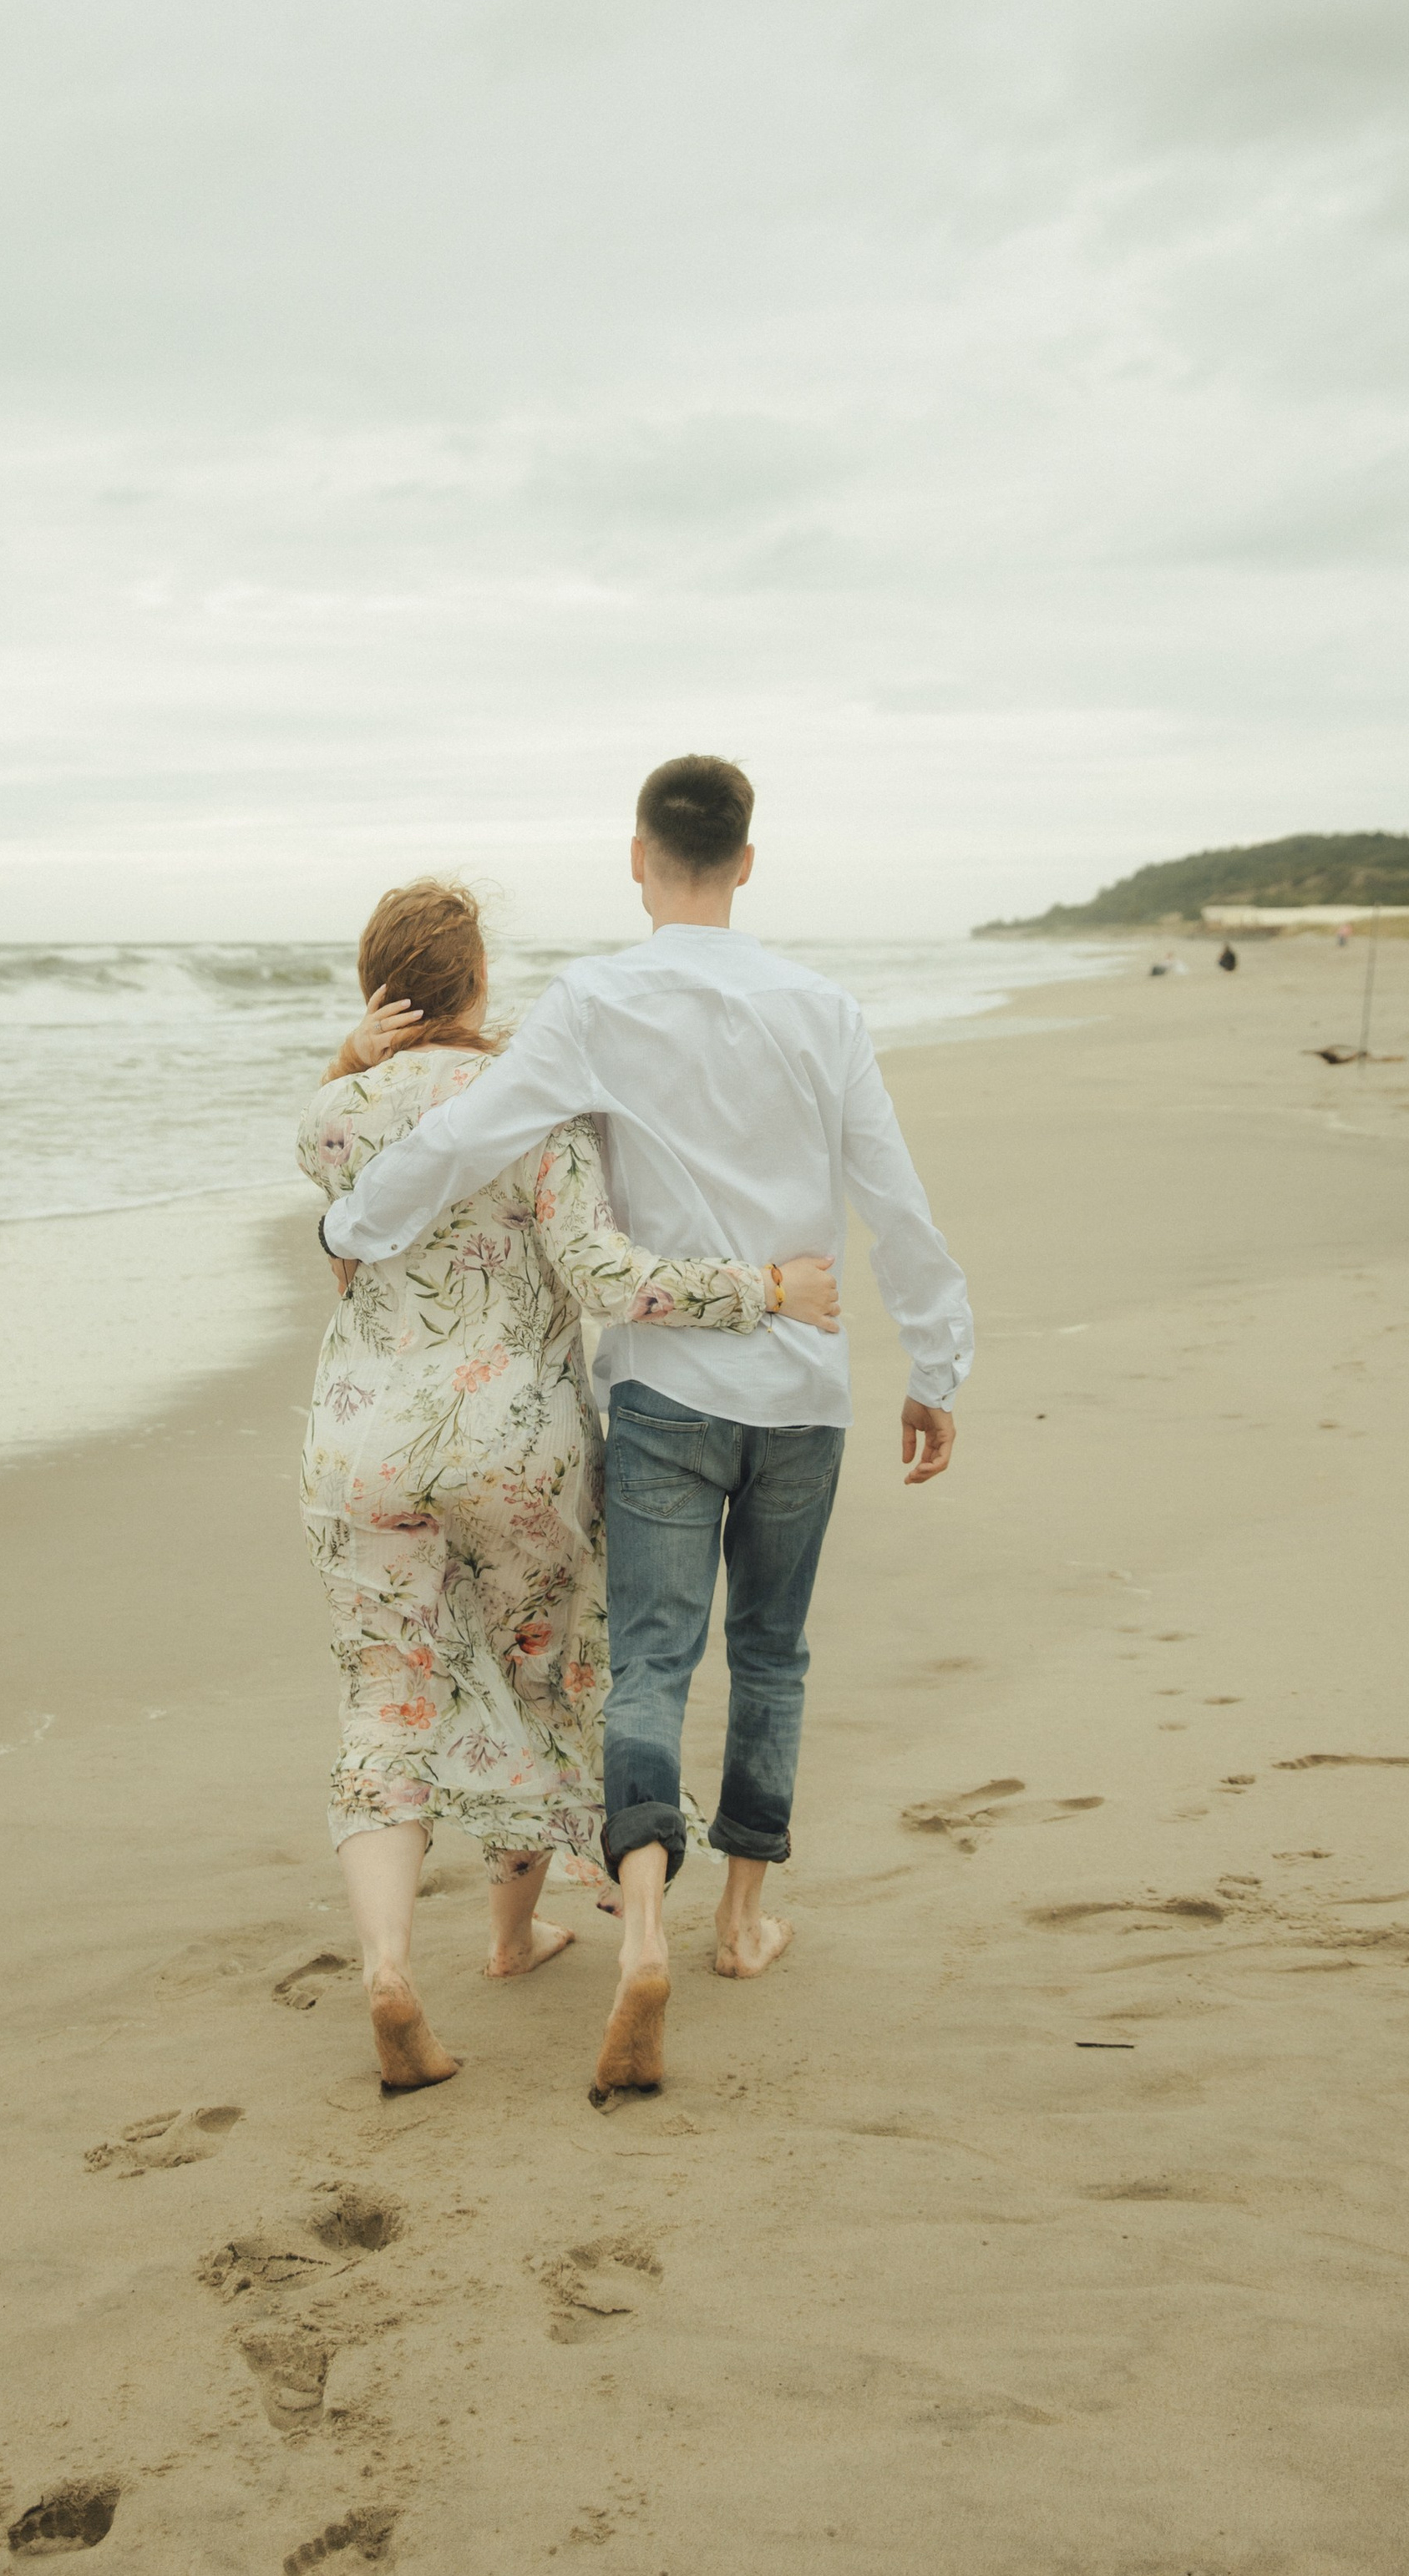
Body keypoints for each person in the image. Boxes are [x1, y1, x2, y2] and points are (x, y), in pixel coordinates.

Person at [318, 757, 972, 2101]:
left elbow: (475, 1128)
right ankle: (741, 1921)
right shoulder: (824, 1008)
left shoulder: (597, 1001)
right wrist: (938, 1361)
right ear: (746, 859)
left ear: (636, 858)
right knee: (775, 1652)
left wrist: (354, 1222)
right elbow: (892, 1195)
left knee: (650, 1667)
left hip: (664, 1387)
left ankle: (642, 1937)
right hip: (800, 1384)